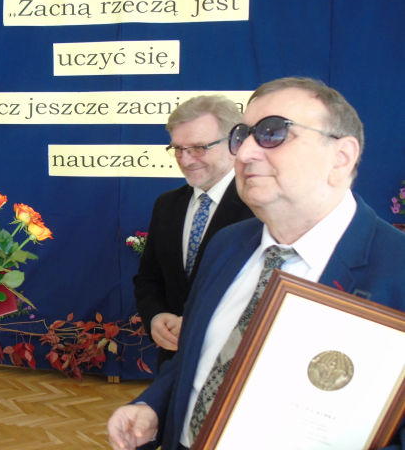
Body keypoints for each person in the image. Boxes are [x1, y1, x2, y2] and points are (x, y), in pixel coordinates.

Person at [108, 77, 405, 449]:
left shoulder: (395, 270)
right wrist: (153, 405)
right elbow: (197, 355)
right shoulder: (227, 245)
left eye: (273, 133)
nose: (245, 152)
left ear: (341, 157)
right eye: (242, 136)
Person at [134, 95, 253, 368]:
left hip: (234, 362)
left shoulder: (259, 207)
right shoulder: (166, 205)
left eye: (199, 148)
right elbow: (148, 279)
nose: (185, 160)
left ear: (235, 144)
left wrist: (199, 324)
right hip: (173, 361)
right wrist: (156, 316)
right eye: (178, 149)